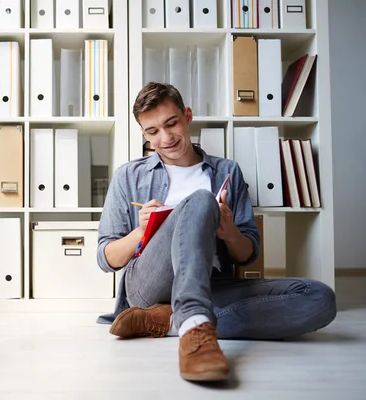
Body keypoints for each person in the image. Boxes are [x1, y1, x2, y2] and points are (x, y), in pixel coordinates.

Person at [95, 82, 337, 382]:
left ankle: (168, 320)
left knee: (319, 298)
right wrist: (140, 232)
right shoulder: (128, 176)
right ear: (144, 134)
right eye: (152, 131)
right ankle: (195, 327)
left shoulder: (228, 172)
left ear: (187, 116)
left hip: (211, 284)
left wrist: (229, 231)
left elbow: (247, 254)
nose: (166, 137)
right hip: (147, 285)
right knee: (199, 199)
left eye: (172, 123)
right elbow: (106, 258)